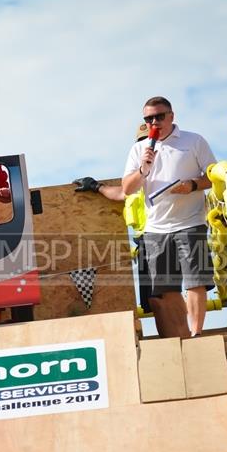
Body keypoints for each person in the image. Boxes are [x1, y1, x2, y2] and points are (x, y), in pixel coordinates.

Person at [121, 96, 216, 338]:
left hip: (190, 221)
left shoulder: (194, 141)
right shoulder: (138, 149)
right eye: (148, 118)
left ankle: (196, 333)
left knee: (195, 281)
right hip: (155, 228)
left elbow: (213, 176)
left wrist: (192, 185)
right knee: (165, 287)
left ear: (172, 116)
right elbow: (126, 188)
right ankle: (182, 334)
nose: (154, 122)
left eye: (159, 116)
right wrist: (143, 169)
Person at [73, 123, 152, 315]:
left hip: (164, 235)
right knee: (153, 301)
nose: (144, 145)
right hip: (144, 242)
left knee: (168, 294)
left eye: (147, 141)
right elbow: (120, 194)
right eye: (140, 142)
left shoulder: (162, 175)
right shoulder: (136, 179)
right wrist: (95, 186)